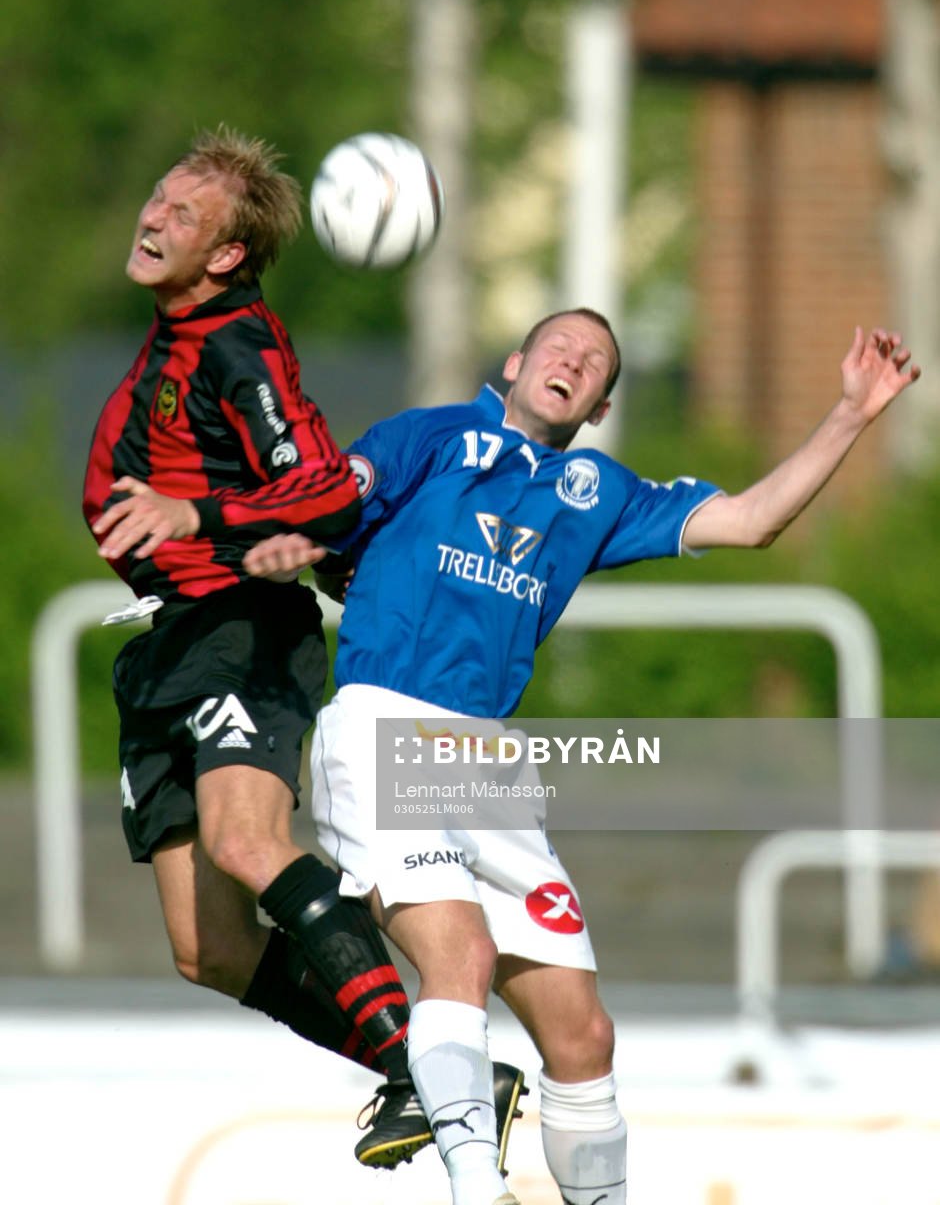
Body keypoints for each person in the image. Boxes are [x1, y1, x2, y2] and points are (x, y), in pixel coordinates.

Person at [244, 306, 919, 1205]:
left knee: (584, 1038)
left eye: (596, 362)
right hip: (383, 726)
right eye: (560, 345)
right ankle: (476, 1189)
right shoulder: (433, 435)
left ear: (599, 406)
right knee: (463, 957)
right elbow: (333, 497)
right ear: (517, 361)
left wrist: (851, 413)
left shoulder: (594, 491)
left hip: (489, 763)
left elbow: (751, 520)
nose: (575, 360)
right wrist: (295, 536)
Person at [81, 125, 525, 1172]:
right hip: (166, 644)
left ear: (229, 254)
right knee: (210, 949)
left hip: (240, 629)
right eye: (158, 198)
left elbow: (323, 483)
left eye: (184, 215)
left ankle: (440, 1069)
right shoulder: (174, 333)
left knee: (246, 840)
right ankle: (425, 1070)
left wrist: (200, 516)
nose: (153, 218)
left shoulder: (239, 340)